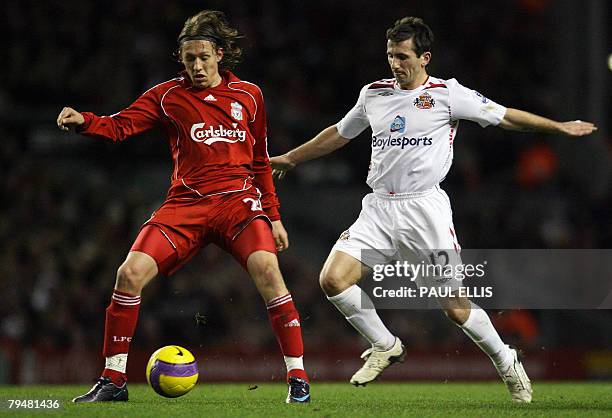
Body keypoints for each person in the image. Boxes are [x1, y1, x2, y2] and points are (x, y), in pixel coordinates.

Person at [271, 16, 597, 403]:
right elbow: (340, 134)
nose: (395, 63)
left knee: (455, 309)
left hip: (425, 211)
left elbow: (507, 116)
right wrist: (292, 157)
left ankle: (506, 359)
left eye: (403, 56)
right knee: (332, 280)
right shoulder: (373, 93)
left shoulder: (448, 94)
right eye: (391, 55)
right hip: (377, 208)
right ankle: (386, 344)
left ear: (424, 57)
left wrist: (559, 127)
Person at [57, 10, 310, 404]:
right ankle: (113, 380)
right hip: (185, 206)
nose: (196, 65)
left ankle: (297, 378)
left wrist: (273, 216)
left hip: (238, 206)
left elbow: (260, 161)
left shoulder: (250, 96)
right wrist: (85, 121)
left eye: (203, 57)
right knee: (129, 274)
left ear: (220, 55)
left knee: (268, 271)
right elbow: (121, 125)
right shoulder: (166, 96)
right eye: (189, 58)